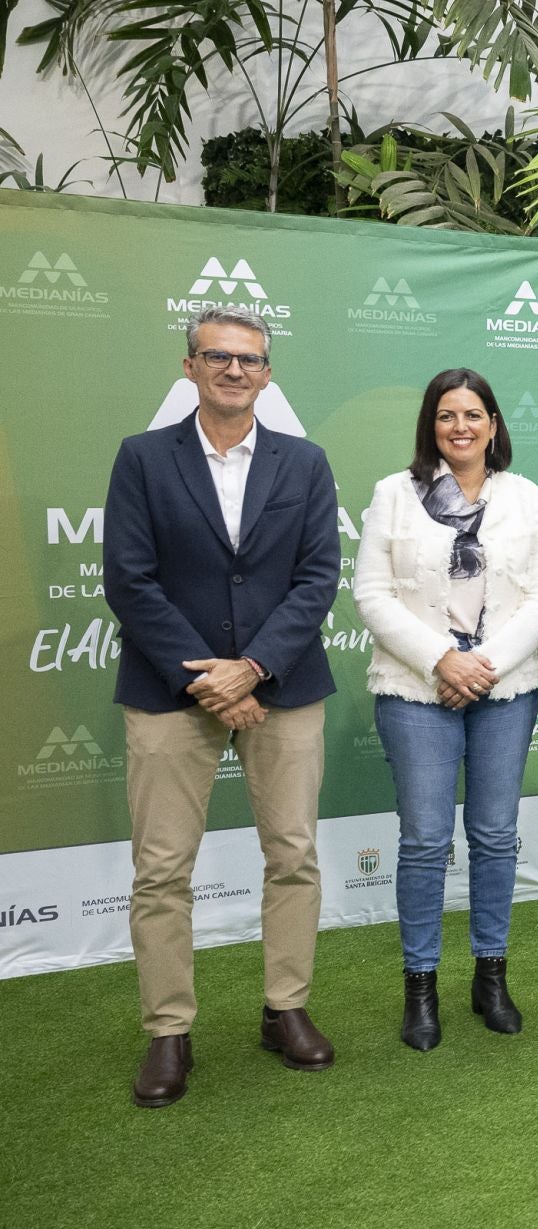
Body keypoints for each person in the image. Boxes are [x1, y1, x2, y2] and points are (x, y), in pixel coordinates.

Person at [104, 304, 341, 1107]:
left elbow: (318, 578)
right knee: (161, 869)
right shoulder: (142, 459)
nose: (235, 370)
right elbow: (129, 579)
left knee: (294, 854)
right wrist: (206, 679)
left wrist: (253, 667)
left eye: (250, 359)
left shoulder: (304, 463)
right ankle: (169, 1031)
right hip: (169, 690)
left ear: (267, 374)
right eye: (218, 356)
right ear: (191, 367)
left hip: (284, 687)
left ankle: (286, 1009)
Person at [353, 368, 538, 1051]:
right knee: (425, 840)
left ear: (493, 425)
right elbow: (372, 595)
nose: (460, 426)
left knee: (496, 835)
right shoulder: (393, 494)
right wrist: (442, 659)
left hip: (504, 688)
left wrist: (481, 666)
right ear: (431, 425)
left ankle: (490, 976)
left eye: (473, 414)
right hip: (417, 687)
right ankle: (421, 986)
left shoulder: (523, 496)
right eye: (447, 415)